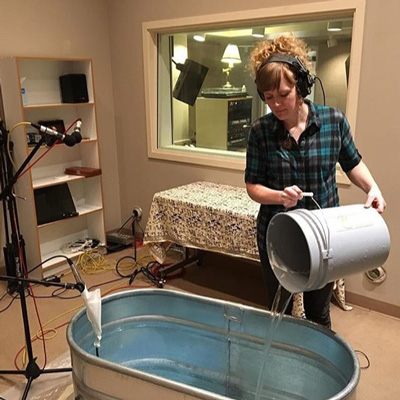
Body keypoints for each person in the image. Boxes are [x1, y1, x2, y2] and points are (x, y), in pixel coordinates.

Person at [245, 35, 386, 329]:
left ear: (302, 86)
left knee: (318, 314)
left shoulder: (333, 121)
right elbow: (253, 187)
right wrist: (279, 196)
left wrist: (371, 187)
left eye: (283, 94)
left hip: (323, 237)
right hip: (278, 236)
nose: (276, 104)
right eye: (268, 97)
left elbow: (353, 163)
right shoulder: (261, 131)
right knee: (278, 313)